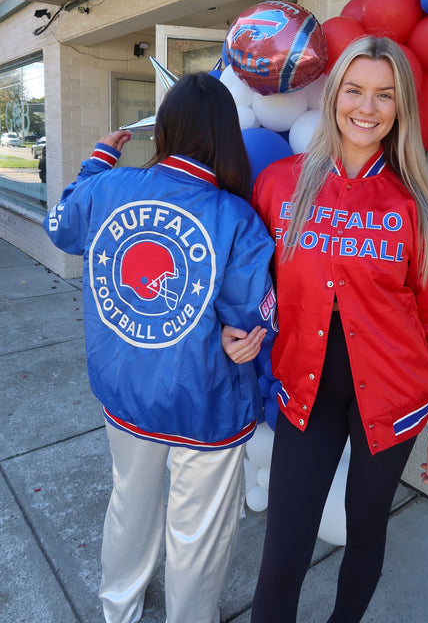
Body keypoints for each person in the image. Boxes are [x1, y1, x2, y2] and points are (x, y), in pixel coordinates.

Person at [231, 36, 428, 622]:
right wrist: (238, 329)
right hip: (304, 397)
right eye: (355, 90)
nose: (368, 107)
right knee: (283, 550)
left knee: (365, 535)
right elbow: (250, 282)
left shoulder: (419, 204)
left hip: (393, 402)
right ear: (334, 95)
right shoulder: (281, 185)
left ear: (400, 107)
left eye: (384, 95)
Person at [42, 73, 277, 623]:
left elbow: (59, 225)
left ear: (165, 129)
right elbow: (250, 319)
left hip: (124, 392)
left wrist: (98, 160)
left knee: (130, 501)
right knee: (197, 531)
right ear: (227, 135)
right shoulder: (235, 216)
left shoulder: (107, 189)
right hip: (208, 405)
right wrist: (250, 325)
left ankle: (117, 608)